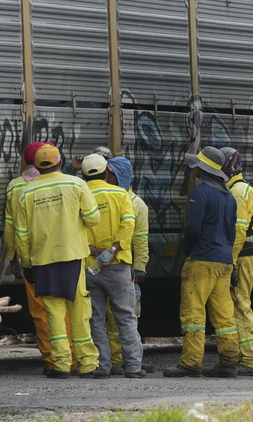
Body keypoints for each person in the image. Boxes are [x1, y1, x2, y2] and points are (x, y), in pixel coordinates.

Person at [15, 143, 104, 379]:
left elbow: (21, 235)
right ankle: (87, 364)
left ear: (36, 166)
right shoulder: (76, 184)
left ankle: (62, 365)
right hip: (72, 257)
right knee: (79, 311)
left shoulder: (26, 192)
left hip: (42, 260)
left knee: (53, 313)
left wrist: (27, 264)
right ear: (60, 162)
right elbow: (93, 219)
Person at [163, 146, 240, 378]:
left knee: (193, 312)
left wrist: (187, 251)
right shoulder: (229, 197)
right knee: (224, 314)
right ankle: (229, 361)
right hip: (224, 261)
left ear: (203, 169)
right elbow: (232, 232)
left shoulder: (200, 193)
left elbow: (194, 227)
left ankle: (191, 363)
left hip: (202, 260)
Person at [81, 152, 145, 379]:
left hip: (90, 267)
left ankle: (102, 366)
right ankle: (134, 367)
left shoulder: (80, 193)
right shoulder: (120, 194)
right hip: (118, 265)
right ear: (107, 171)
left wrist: (93, 250)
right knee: (126, 317)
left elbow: (74, 229)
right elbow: (129, 224)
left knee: (95, 318)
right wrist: (114, 249)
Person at [3, 141, 55, 372]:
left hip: (31, 258)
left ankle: (49, 358)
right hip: (62, 255)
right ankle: (70, 357)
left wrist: (12, 257)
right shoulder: (61, 182)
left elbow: (10, 226)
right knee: (65, 307)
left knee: (40, 310)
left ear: (25, 161)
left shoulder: (15, 187)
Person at [102, 154, 148, 376]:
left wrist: (140, 268)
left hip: (123, 266)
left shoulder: (137, 204)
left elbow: (140, 239)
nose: (106, 178)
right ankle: (114, 360)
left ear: (119, 176)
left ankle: (119, 359)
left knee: (121, 316)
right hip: (103, 266)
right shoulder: (106, 196)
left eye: (109, 175)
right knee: (106, 315)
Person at [220, 147, 253, 376]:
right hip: (249, 255)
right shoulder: (247, 188)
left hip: (242, 256)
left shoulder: (236, 192)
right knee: (240, 304)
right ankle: (242, 356)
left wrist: (231, 261)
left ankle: (251, 360)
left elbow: (238, 231)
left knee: (241, 305)